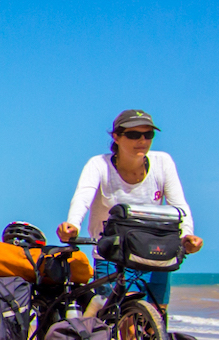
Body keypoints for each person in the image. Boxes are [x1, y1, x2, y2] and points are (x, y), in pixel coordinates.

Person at [58, 109, 204, 310]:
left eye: (148, 135)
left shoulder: (163, 162)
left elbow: (179, 206)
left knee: (156, 319)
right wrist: (73, 225)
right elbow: (82, 197)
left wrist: (187, 235)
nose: (142, 140)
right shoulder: (99, 164)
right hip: (112, 253)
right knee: (122, 320)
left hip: (155, 253)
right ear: (116, 137)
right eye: (134, 135)